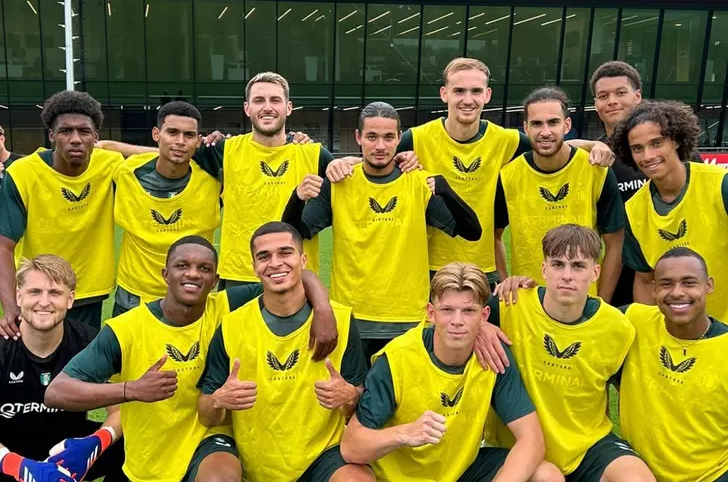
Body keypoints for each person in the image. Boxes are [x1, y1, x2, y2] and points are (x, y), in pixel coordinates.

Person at [44, 235, 337, 482]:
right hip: (150, 457)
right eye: (182, 266)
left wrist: (323, 308)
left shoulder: (227, 305)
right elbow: (57, 392)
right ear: (165, 274)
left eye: (204, 268)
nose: (193, 274)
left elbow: (300, 275)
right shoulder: (126, 329)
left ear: (215, 280)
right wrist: (131, 390)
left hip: (210, 438)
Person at [99, 72, 419, 291]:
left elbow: (361, 167)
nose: (268, 107)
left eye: (276, 100)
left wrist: (401, 158)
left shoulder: (312, 152)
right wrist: (109, 147)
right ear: (247, 108)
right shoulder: (224, 150)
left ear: (288, 108)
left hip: (296, 274)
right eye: (260, 100)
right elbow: (171, 153)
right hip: (239, 275)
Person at [391, 57, 615, 289]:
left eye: (476, 91)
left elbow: (549, 143)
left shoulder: (507, 140)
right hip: (431, 268)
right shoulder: (417, 139)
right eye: (459, 91)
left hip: (485, 270)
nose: (468, 99)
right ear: (444, 94)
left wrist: (593, 145)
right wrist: (350, 162)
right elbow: (374, 157)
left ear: (487, 95)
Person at [282, 101, 482, 361]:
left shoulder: (419, 183)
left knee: (405, 399)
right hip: (352, 318)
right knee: (351, 396)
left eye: (389, 137)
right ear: (358, 138)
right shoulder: (338, 184)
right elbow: (293, 234)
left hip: (408, 320)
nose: (380, 146)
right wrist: (296, 198)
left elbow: (472, 232)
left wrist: (446, 189)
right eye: (372, 137)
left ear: (400, 138)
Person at [341, 262, 556, 482]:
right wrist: (405, 433)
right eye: (447, 310)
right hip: (399, 476)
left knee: (546, 476)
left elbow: (532, 440)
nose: (457, 321)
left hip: (463, 471)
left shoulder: (493, 355)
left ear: (484, 316)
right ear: (431, 313)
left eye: (468, 311)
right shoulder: (397, 359)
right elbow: (351, 446)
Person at [197, 222, 373, 482]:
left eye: (285, 253)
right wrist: (218, 400)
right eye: (264, 256)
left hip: (322, 454)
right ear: (254, 266)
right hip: (253, 455)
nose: (275, 263)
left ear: (303, 259)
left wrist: (348, 396)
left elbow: (358, 399)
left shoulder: (341, 321)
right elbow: (205, 412)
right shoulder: (232, 326)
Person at [485, 224, 655, 481]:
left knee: (636, 478)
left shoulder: (617, 327)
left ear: (595, 271)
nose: (567, 275)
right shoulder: (509, 305)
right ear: (543, 269)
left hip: (587, 444)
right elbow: (454, 324)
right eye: (557, 264)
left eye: (578, 266)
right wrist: (481, 327)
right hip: (520, 445)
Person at [0, 91, 123, 334]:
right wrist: (10, 305)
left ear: (95, 137)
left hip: (90, 290)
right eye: (66, 131)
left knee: (80, 368)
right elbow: (4, 246)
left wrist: (112, 146)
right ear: (52, 136)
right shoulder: (23, 173)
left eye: (84, 132)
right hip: (39, 290)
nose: (75, 139)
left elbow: (162, 157)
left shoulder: (111, 164)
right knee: (37, 366)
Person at [588, 61, 703, 306]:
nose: (612, 101)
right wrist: (589, 145)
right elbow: (554, 150)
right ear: (596, 104)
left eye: (621, 93)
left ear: (637, 96)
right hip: (624, 273)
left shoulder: (681, 155)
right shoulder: (594, 160)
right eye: (603, 96)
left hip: (682, 265)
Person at [0, 255, 124, 482]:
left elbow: (121, 410)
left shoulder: (90, 342)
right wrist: (15, 464)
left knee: (137, 440)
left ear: (70, 299)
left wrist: (95, 444)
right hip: (8, 456)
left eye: (55, 293)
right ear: (19, 296)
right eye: (34, 292)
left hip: (67, 453)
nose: (44, 302)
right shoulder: (2, 346)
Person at [494, 86, 624, 301]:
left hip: (583, 300)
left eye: (553, 122)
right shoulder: (508, 175)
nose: (545, 132)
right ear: (525, 128)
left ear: (567, 125)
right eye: (536, 124)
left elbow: (615, 243)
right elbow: (494, 236)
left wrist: (602, 301)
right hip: (529, 300)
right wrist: (506, 281)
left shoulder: (595, 170)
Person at [618, 247, 728, 482]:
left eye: (689, 283)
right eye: (666, 284)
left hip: (711, 475)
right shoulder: (633, 320)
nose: (677, 292)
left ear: (708, 286)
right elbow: (574, 318)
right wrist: (527, 292)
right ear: (654, 289)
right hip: (638, 473)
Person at [612, 100, 728, 321]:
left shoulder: (720, 185)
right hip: (675, 338)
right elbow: (645, 281)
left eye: (656, 143)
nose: (647, 156)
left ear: (675, 140)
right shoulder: (634, 209)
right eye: (638, 148)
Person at [112, 101, 221, 317]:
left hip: (192, 297)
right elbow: (100, 146)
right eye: (172, 132)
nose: (180, 141)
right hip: (133, 299)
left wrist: (297, 139)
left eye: (189, 135)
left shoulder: (215, 179)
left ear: (199, 141)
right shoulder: (125, 172)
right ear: (156, 134)